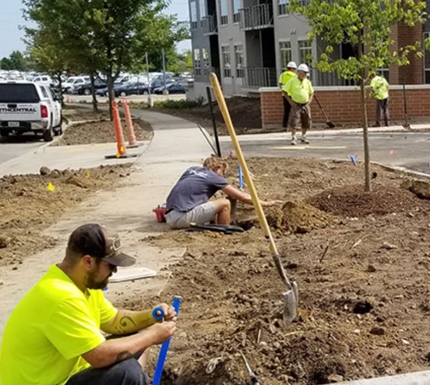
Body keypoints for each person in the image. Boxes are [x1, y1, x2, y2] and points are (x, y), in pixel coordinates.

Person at [0, 224, 177, 385]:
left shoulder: (83, 284)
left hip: (64, 376)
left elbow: (113, 320)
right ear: (88, 262)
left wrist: (151, 316)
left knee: (135, 341)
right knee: (127, 373)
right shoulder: (61, 296)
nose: (114, 272)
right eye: (110, 265)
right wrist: (152, 336)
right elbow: (98, 356)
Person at [165, 156, 281, 229]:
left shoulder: (192, 170)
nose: (223, 176)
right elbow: (242, 197)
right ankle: (224, 230)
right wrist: (266, 204)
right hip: (180, 218)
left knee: (213, 205)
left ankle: (216, 225)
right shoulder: (213, 176)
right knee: (225, 203)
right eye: (223, 171)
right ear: (217, 168)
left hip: (169, 215)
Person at [282, 63, 314, 145]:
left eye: (306, 73)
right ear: (300, 72)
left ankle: (303, 136)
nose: (305, 75)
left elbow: (311, 92)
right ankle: (293, 137)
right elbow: (284, 91)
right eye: (304, 73)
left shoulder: (307, 82)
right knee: (294, 121)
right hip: (296, 104)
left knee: (306, 120)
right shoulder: (292, 81)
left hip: (305, 104)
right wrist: (290, 102)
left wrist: (309, 101)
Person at [278, 61, 297, 130]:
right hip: (292, 95)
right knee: (295, 111)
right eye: (294, 69)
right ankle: (294, 125)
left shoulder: (282, 75)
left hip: (284, 95)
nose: (295, 71)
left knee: (286, 111)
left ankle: (284, 126)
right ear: (292, 68)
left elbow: (280, 85)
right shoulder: (294, 76)